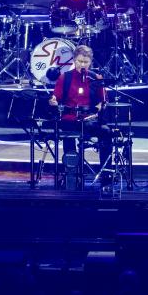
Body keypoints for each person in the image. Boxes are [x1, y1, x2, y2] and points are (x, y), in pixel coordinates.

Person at [48, 45, 112, 189]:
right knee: (68, 137)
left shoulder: (96, 78)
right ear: (74, 60)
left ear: (90, 62)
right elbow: (55, 98)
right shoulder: (65, 77)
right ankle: (71, 173)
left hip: (90, 119)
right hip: (70, 119)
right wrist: (53, 101)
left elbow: (104, 101)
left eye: (85, 62)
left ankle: (106, 173)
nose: (82, 65)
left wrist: (98, 108)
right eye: (79, 61)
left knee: (107, 132)